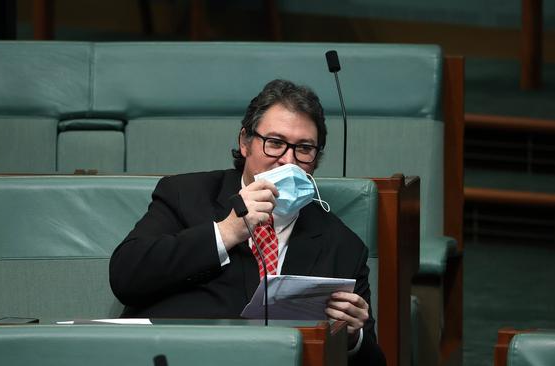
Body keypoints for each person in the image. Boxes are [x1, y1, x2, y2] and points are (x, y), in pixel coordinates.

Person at [109, 79, 386, 365]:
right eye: (275, 143)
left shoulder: (342, 245)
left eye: (304, 148)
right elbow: (125, 275)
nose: (288, 161)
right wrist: (226, 231)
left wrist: (354, 339)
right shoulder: (185, 194)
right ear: (245, 143)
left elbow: (373, 360)